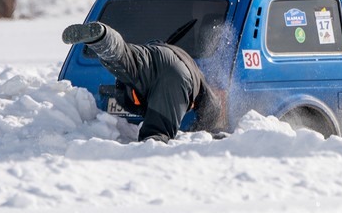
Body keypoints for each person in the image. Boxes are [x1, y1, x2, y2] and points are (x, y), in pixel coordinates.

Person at [62, 21, 225, 142]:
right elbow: (212, 106)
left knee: (121, 55)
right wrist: (204, 130)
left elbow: (211, 104)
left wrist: (200, 132)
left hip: (166, 68)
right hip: (177, 69)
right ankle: (102, 36)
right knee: (156, 132)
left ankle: (104, 36)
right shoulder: (196, 73)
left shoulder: (146, 61)